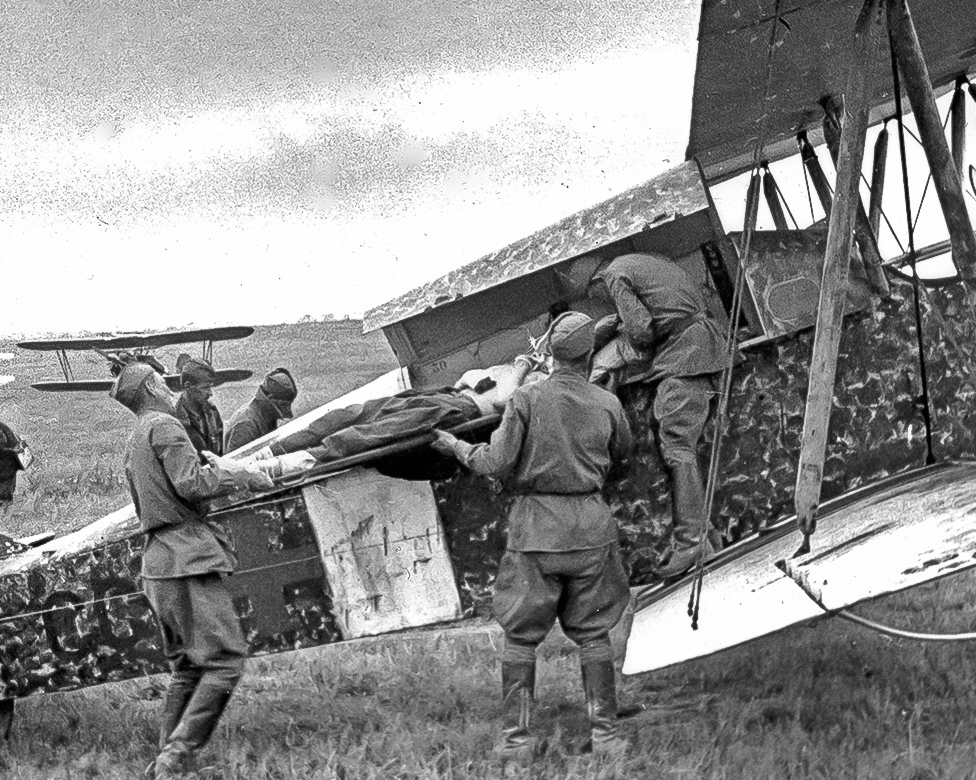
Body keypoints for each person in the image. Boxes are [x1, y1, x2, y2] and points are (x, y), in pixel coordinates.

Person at [432, 312, 633, 762]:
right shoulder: (608, 403)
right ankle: (606, 736)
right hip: (590, 529)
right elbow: (623, 452)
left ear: (552, 354)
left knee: (521, 639)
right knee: (594, 636)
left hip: (536, 531)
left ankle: (516, 743)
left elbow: (494, 463)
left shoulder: (525, 398)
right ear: (588, 353)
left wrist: (455, 446)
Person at [114, 360, 278, 779]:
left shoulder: (136, 436)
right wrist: (239, 475)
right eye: (162, 382)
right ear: (151, 387)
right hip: (186, 557)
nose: (170, 388)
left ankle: (164, 760)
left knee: (188, 668)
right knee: (225, 660)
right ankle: (175, 759)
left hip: (158, 563)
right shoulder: (166, 426)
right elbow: (191, 485)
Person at [558, 252, 728, 579]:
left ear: (594, 283)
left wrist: (617, 339)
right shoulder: (632, 262)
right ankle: (707, 538)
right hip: (696, 344)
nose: (600, 300)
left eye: (595, 296)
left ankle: (691, 541)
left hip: (687, 353)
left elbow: (641, 330)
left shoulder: (614, 275)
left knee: (677, 444)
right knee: (681, 444)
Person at [263, 358, 539, 462]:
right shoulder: (519, 370)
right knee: (352, 414)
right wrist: (498, 373)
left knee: (374, 432)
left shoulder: (535, 378)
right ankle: (273, 451)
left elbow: (503, 401)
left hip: (461, 408)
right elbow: (466, 378)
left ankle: (299, 460)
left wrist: (522, 365)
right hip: (445, 395)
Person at [221, 368, 298, 453]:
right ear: (270, 399)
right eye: (282, 405)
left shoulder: (265, 416)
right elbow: (236, 459)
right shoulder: (246, 425)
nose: (285, 413)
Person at [173, 355, 226, 456]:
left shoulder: (212, 411)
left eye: (210, 387)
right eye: (205, 387)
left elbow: (220, 452)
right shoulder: (176, 420)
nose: (210, 393)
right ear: (188, 386)